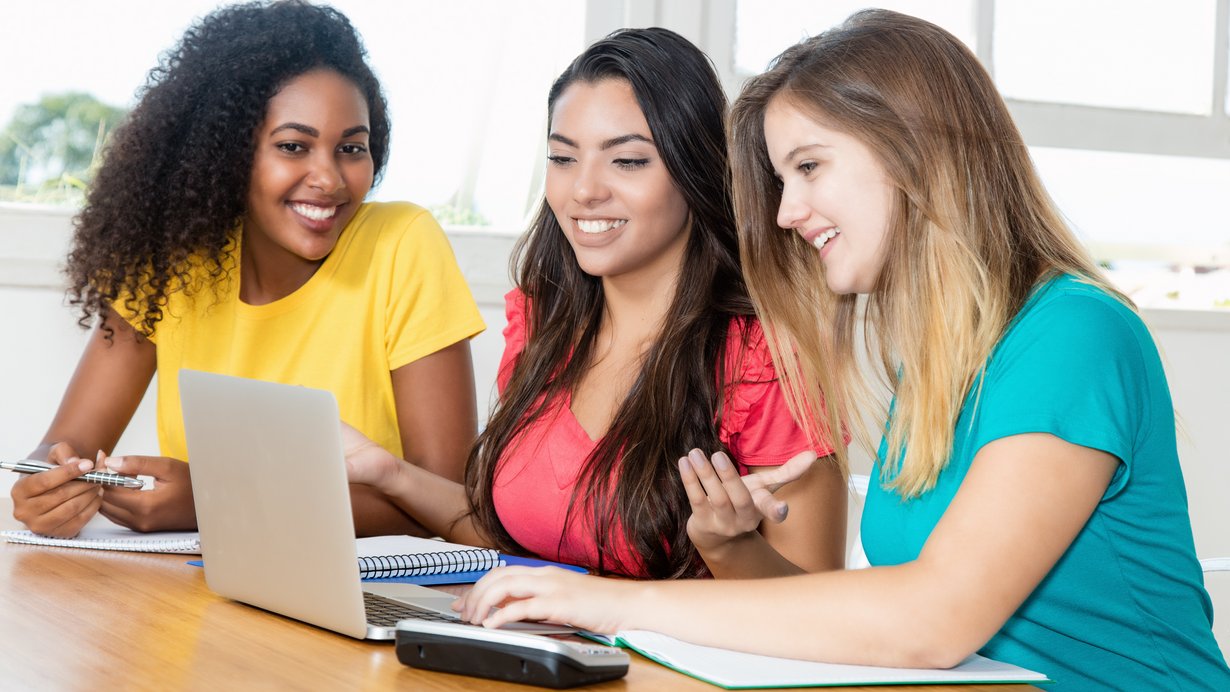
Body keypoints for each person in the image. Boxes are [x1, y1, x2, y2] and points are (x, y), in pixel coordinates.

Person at [453, 10, 1230, 690]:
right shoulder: (933, 360)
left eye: (810, 167)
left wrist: (608, 603)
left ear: (914, 155)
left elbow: (934, 619)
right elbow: (857, 617)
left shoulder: (1074, 334)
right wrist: (732, 549)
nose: (788, 211)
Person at [342, 27, 847, 579]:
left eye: (627, 161)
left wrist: (729, 548)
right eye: (563, 158)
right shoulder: (543, 322)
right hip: (539, 650)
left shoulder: (767, 360)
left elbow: (817, 604)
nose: (583, 190)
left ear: (696, 170)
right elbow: (524, 537)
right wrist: (388, 473)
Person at [11, 0, 483, 539]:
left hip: (365, 595)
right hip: (201, 590)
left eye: (352, 147)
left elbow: (445, 499)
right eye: (293, 146)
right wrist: (48, 484)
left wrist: (219, 499)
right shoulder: (174, 263)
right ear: (228, 152)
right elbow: (61, 445)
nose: (329, 178)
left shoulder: (401, 244)